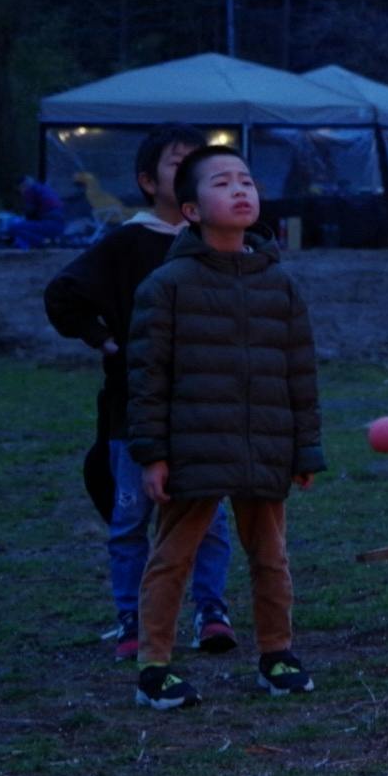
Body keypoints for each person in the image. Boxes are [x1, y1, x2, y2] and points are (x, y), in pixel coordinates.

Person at [127, 145, 325, 710]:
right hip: (192, 449)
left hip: (264, 445)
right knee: (172, 557)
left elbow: (299, 371)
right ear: (190, 210)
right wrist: (152, 453)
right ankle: (154, 667)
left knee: (271, 556)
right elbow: (147, 377)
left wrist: (305, 448)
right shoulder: (166, 286)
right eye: (221, 183)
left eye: (246, 180)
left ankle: (277, 654)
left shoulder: (279, 284)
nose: (240, 190)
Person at [44, 126, 238, 661]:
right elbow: (62, 295)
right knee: (131, 520)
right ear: (149, 181)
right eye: (179, 164)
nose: (192, 172)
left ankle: (211, 611)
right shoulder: (128, 242)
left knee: (209, 519)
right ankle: (132, 618)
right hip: (131, 410)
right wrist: (104, 340)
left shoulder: (215, 239)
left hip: (203, 410)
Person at [7, 175, 67, 249]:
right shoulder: (44, 188)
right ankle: (48, 241)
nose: (21, 193)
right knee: (28, 228)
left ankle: (44, 242)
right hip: (60, 225)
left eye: (20, 190)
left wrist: (18, 217)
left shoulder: (30, 190)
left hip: (50, 224)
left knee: (14, 228)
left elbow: (29, 212)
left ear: (23, 186)